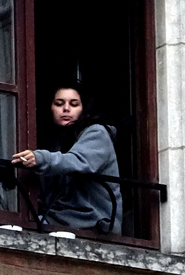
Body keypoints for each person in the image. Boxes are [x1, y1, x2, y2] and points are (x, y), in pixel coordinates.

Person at [12, 85, 122, 235]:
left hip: (93, 221)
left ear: (84, 109)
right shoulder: (54, 143)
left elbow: (78, 161)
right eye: (59, 103)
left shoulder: (97, 133)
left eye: (74, 104)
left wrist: (40, 158)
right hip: (60, 219)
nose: (66, 109)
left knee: (24, 232)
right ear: (50, 109)